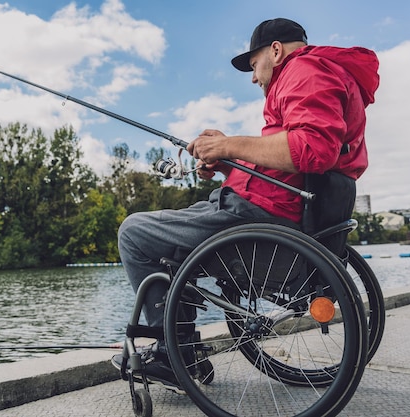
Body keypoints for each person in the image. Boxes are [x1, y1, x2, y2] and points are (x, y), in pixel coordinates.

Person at [112, 17, 380, 391]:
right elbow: (292, 164)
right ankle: (181, 346)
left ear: (275, 50)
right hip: (273, 211)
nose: (254, 77)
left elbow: (312, 150)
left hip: (260, 218)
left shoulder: (305, 71)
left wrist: (229, 145)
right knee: (163, 233)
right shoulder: (321, 73)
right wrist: (225, 163)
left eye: (253, 65)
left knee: (136, 233)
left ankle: (176, 355)